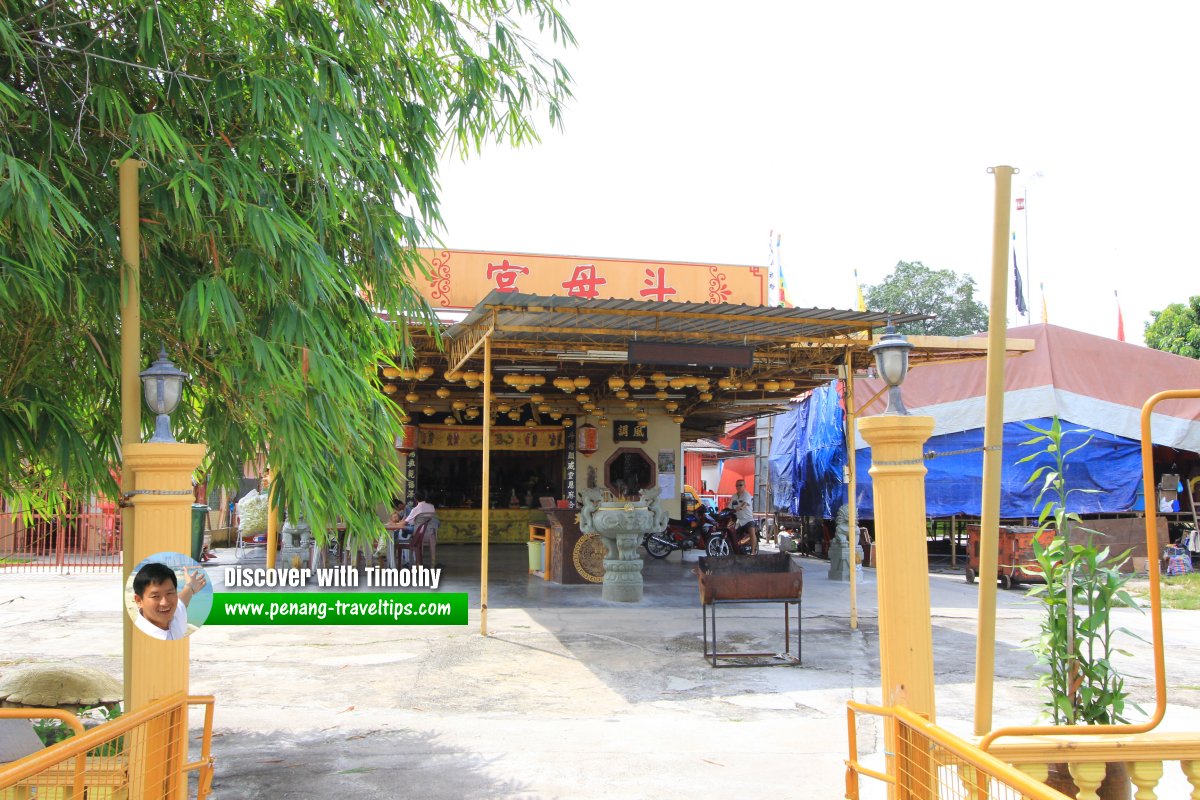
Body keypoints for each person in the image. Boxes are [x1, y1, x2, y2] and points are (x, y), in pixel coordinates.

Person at [132, 562, 205, 641]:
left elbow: (182, 599)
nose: (165, 603)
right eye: (155, 596)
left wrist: (190, 587)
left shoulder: (175, 616)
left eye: (169, 593)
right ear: (139, 601)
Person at [730, 479, 757, 554]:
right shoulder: (734, 496)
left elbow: (745, 503)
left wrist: (740, 507)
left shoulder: (747, 495)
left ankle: (753, 551)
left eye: (740, 485)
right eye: (737, 485)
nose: (738, 486)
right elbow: (729, 506)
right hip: (738, 520)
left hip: (748, 520)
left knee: (752, 533)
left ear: (745, 486)